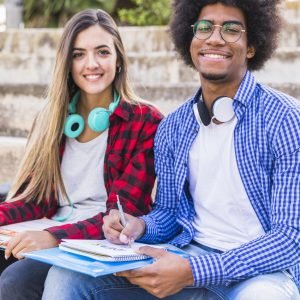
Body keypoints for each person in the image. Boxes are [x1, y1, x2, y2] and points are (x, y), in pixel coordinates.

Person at [35, 0, 300, 299]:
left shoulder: (286, 120)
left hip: (260, 275)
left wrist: (195, 270)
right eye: (204, 28)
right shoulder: (174, 126)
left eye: (231, 29)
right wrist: (138, 226)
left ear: (251, 46)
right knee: (68, 278)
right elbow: (169, 213)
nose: (214, 38)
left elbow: (290, 239)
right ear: (190, 42)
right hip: (185, 257)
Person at [0, 8, 163, 299]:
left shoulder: (145, 121)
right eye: (78, 55)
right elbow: (34, 200)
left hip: (98, 242)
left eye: (102, 52)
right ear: (67, 63)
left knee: (16, 281)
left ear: (118, 59)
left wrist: (52, 237)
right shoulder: (51, 120)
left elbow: (123, 214)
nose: (91, 64)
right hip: (50, 228)